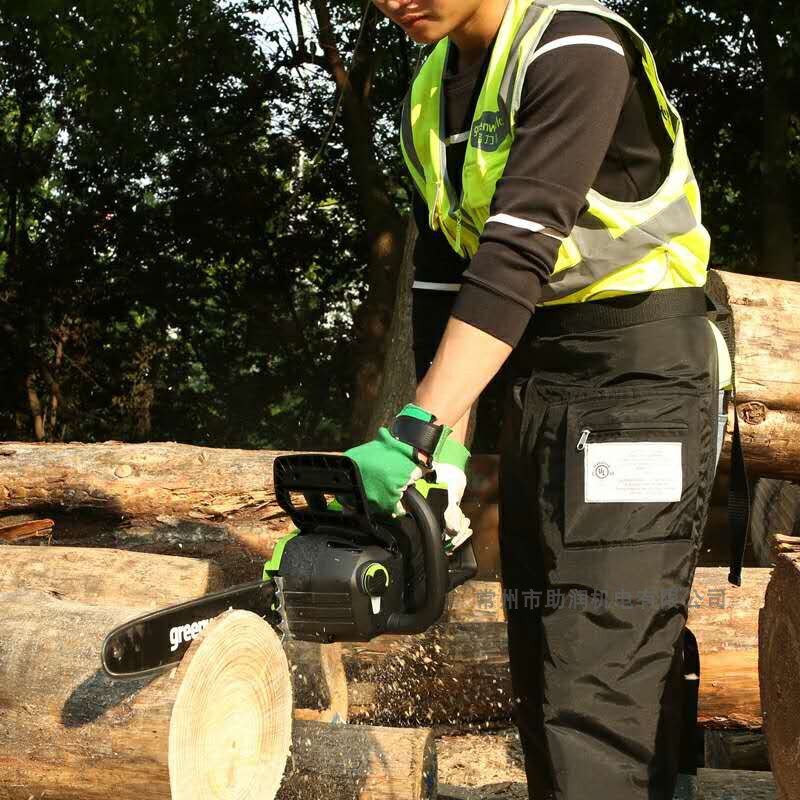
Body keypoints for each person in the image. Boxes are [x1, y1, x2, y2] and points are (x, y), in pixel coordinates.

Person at [344, 1, 733, 798]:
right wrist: (441, 449)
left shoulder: (576, 45)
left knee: (593, 676)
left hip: (640, 380)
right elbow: (444, 278)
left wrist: (415, 428)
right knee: (546, 658)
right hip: (537, 375)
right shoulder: (430, 90)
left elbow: (517, 251)